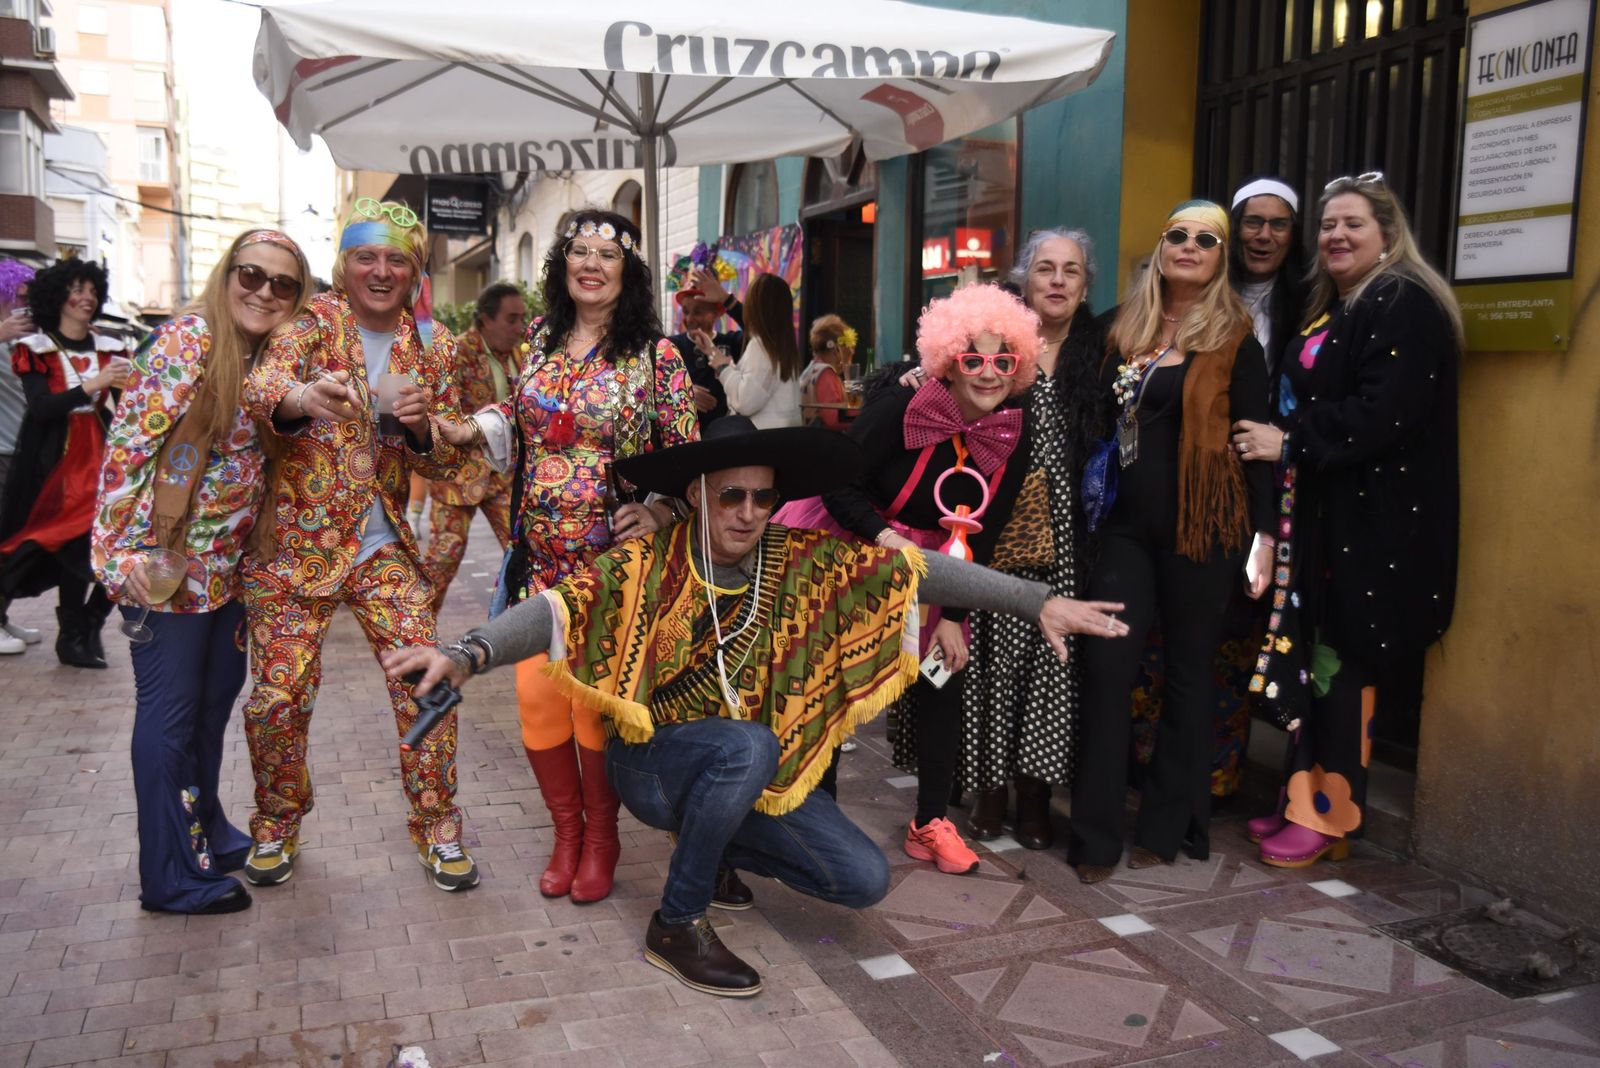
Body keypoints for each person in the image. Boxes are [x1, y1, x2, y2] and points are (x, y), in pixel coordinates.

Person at [381, 415, 1128, 997]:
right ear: (699, 495)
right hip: (652, 765)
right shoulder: (649, 561)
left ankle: (718, 849)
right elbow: (555, 609)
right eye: (730, 494)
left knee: (861, 878)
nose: (746, 511)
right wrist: (469, 652)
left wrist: (1038, 602)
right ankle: (677, 923)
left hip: (748, 770)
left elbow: (915, 571)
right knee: (747, 745)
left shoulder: (800, 560)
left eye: (763, 496)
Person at [435, 208, 698, 904]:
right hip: (538, 561)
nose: (591, 264)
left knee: (588, 710)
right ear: (563, 266)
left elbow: (691, 461)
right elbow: (517, 419)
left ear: (627, 271)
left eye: (606, 256)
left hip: (611, 571)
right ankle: (566, 834)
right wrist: (460, 429)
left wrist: (664, 507)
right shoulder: (543, 342)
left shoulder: (657, 357)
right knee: (536, 701)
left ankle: (602, 839)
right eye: (578, 251)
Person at [238, 199, 473, 893]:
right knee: (276, 700)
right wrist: (303, 398)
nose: (380, 270)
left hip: (381, 552)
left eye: (396, 259)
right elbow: (261, 387)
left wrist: (425, 430)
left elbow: (449, 464)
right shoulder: (311, 322)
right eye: (367, 257)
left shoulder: (431, 347)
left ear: (414, 272)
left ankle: (438, 826)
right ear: (345, 265)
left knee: (428, 684)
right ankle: (276, 823)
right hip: (291, 553)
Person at [1230, 172, 1459, 868]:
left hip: (1372, 530)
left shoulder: (1402, 302)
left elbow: (1382, 414)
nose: (1336, 235)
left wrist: (1287, 442)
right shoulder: (1346, 303)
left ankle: (1330, 816)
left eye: (1353, 224)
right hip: (1329, 523)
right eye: (1329, 225)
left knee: (1340, 670)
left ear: (1388, 234)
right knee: (1317, 663)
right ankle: (1301, 799)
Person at [779, 284, 1039, 875]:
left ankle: (930, 822)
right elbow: (836, 483)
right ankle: (821, 816)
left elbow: (988, 533)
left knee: (943, 678)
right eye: (974, 358)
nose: (989, 372)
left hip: (941, 568)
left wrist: (954, 615)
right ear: (949, 359)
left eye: (1004, 360)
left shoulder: (1009, 436)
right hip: (857, 545)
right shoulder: (903, 407)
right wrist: (885, 539)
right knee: (836, 684)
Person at [92, 229, 314, 914]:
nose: (264, 291)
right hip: (165, 571)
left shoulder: (262, 356)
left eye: (283, 283)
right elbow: (128, 452)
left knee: (211, 710)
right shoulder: (190, 341)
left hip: (225, 575)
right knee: (170, 719)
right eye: (252, 274)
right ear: (226, 277)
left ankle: (208, 833)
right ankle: (169, 874)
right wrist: (119, 556)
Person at [1067, 201, 1276, 884]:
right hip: (1124, 529)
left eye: (1206, 239)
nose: (1189, 246)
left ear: (1220, 258)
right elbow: (1057, 372)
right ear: (1161, 248)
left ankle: (1163, 825)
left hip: (1204, 530)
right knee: (1107, 672)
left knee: (1190, 676)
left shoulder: (1235, 336)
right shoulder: (1118, 329)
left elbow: (1255, 443)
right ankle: (1095, 834)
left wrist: (1265, 540)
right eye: (1178, 235)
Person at [1129, 178, 1307, 801]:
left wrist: (1281, 448)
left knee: (1228, 645)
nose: (1263, 234)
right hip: (1180, 497)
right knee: (1161, 648)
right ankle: (1155, 770)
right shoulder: (1170, 304)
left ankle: (1212, 779)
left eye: (1278, 224)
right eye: (1252, 222)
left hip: (1260, 488)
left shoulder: (1307, 305)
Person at [956, 229, 1105, 849]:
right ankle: (989, 787)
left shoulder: (1105, 351)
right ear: (1025, 278)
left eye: (1071, 270)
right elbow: (947, 386)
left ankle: (1035, 794)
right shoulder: (996, 341)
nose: (1058, 281)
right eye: (1046, 268)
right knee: (989, 652)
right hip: (993, 522)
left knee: (1049, 659)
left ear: (1085, 284)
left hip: (1069, 532)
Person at [0, 259, 131, 668]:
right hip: (55, 462)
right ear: (59, 296)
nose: (87, 297)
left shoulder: (110, 346)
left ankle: (87, 624)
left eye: (92, 290)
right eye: (78, 288)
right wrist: (93, 385)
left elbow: (132, 407)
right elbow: (41, 408)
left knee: (121, 543)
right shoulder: (36, 348)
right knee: (67, 543)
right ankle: (73, 636)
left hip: (106, 456)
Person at [423, 281, 527, 609]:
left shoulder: (521, 355)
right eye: (511, 319)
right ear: (485, 319)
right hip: (456, 475)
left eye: (521, 319)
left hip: (504, 477)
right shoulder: (455, 351)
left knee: (525, 551)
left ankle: (529, 635)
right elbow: (437, 409)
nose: (519, 327)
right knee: (443, 558)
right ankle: (418, 638)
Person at [0, 261, 38, 654]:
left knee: (11, 539)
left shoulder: (24, 339)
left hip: (20, 450)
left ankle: (2, 615)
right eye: (20, 296)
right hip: (1, 450)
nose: (25, 305)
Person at [708, 272, 803, 428]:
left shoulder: (761, 346)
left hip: (762, 443)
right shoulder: (783, 345)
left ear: (753, 308)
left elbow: (745, 402)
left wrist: (723, 368)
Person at [666, 265, 745, 428]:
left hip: (723, 435)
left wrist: (727, 299)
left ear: (716, 313)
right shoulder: (670, 346)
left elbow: (758, 328)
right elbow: (653, 387)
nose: (690, 319)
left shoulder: (731, 342)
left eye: (698, 312)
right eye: (686, 311)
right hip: (685, 437)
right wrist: (683, 392)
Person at [799, 315, 855, 430]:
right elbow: (833, 418)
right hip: (824, 442)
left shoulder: (811, 369)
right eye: (848, 348)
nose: (851, 353)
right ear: (836, 348)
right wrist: (863, 415)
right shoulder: (826, 374)